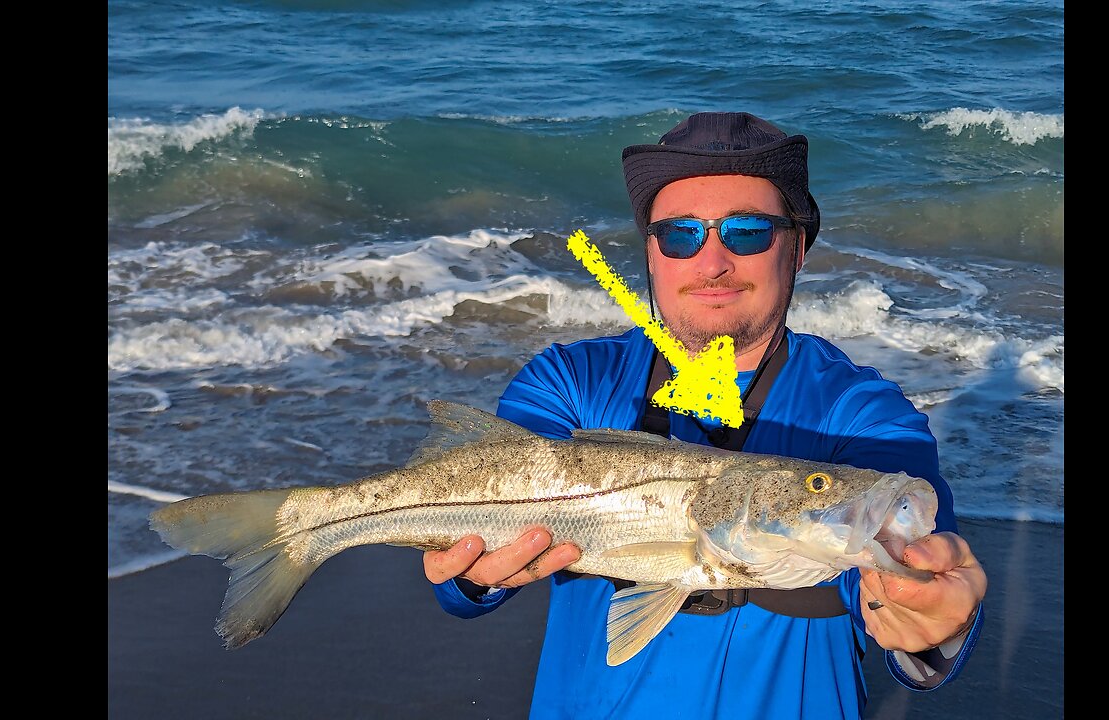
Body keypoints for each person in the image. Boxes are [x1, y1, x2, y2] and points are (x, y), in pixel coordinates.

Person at [423, 111, 987, 719]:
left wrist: (931, 621)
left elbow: (906, 576)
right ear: (650, 252)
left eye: (746, 232)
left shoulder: (864, 415)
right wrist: (471, 577)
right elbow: (464, 558)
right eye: (680, 234)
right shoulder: (568, 381)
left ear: (796, 249)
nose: (712, 261)